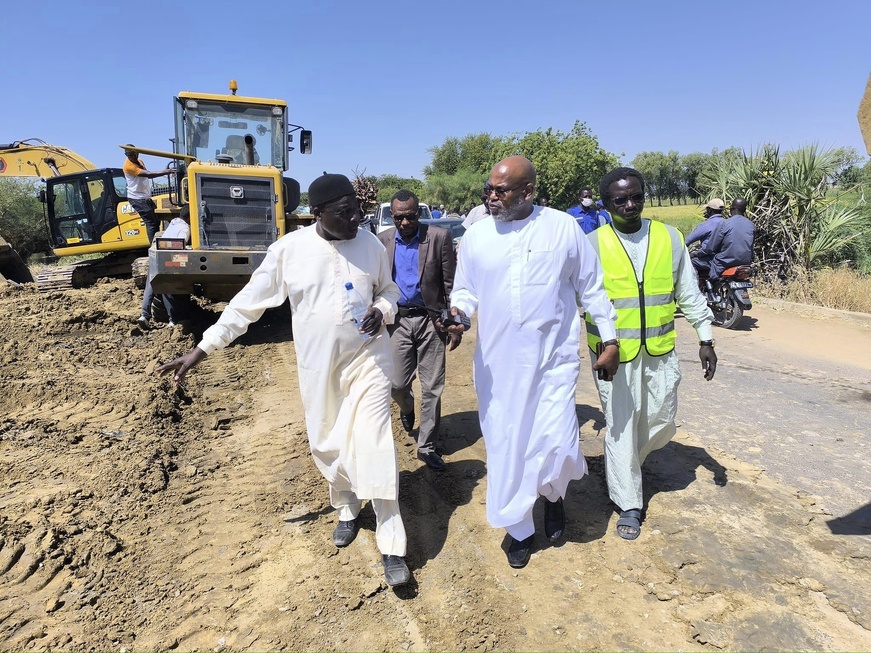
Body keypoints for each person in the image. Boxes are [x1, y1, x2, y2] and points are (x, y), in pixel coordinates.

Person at [155, 173, 412, 587]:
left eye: (357, 210)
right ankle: (346, 507)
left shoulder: (370, 244)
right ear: (317, 213)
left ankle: (392, 545)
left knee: (375, 443)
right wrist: (202, 348)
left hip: (370, 360)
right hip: (319, 368)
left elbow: (391, 292)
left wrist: (381, 309)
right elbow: (247, 306)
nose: (355, 219)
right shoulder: (288, 250)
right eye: (345, 213)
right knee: (325, 442)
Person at [445, 156, 619, 568]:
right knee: (507, 445)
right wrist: (456, 316)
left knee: (557, 441)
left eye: (500, 191)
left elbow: (591, 287)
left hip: (553, 362)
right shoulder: (476, 236)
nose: (490, 197)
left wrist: (609, 338)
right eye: (488, 189)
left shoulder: (561, 227)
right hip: (498, 365)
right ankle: (519, 527)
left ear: (527, 193)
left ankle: (553, 497)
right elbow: (465, 291)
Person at [587, 167, 717, 541]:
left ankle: (626, 465)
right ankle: (629, 500)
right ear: (606, 203)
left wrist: (705, 338)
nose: (629, 204)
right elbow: (578, 302)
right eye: (619, 199)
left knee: (662, 420)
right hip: (614, 356)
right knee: (623, 425)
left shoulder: (669, 237)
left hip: (660, 349)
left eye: (636, 196)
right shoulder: (592, 244)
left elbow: (688, 292)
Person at [377, 190, 460, 471]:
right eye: (398, 218)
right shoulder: (383, 241)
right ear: (392, 216)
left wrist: (452, 321)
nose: (404, 223)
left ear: (418, 214)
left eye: (410, 217)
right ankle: (408, 408)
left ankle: (426, 446)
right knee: (397, 384)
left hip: (431, 320)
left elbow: (450, 285)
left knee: (432, 387)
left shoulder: (437, 237)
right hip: (398, 321)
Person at [138, 205, 192, 329]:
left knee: (151, 285)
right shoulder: (185, 228)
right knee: (166, 288)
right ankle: (173, 320)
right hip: (167, 257)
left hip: (156, 254)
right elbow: (179, 245)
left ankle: (144, 315)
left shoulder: (173, 223)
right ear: (190, 217)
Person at [122, 146, 173, 243]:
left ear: (138, 153)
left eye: (134, 153)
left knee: (156, 220)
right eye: (129, 154)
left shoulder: (140, 161)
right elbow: (148, 174)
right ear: (126, 155)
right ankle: (153, 245)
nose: (132, 156)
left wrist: (164, 171)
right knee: (151, 222)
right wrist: (166, 172)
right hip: (137, 198)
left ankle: (158, 243)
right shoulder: (128, 166)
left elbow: (147, 175)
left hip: (145, 197)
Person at [701, 198, 756, 278]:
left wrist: (697, 253)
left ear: (731, 209)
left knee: (710, 275)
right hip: (745, 262)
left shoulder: (724, 223)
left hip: (725, 262)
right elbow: (751, 246)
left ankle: (711, 287)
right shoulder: (751, 225)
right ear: (744, 210)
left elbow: (711, 248)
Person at [685, 198, 726, 278]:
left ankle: (694, 287)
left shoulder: (706, 225)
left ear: (709, 210)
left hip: (712, 259)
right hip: (726, 259)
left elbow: (687, 241)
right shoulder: (727, 223)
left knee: (689, 263)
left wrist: (693, 254)